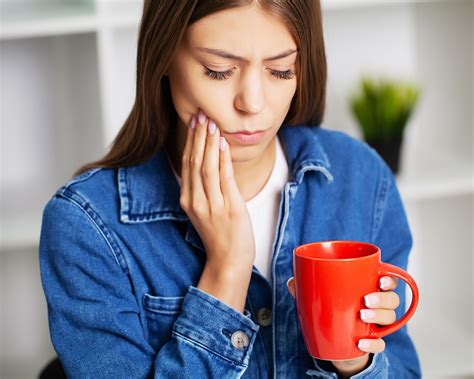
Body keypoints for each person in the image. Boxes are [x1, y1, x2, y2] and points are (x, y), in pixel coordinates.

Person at [38, 1, 422, 378]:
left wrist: (356, 362)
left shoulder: (360, 176)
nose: (253, 103)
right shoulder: (86, 225)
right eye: (218, 71)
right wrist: (227, 270)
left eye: (280, 70)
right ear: (164, 57)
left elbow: (403, 368)